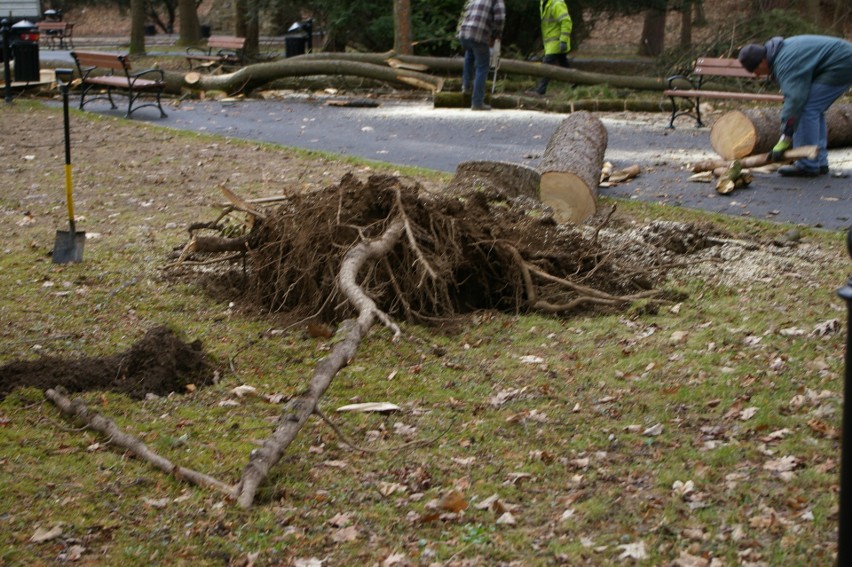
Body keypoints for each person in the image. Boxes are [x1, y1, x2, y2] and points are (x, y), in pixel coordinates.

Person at [737, 35, 852, 177]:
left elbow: (795, 100)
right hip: (841, 59)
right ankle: (818, 160)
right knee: (814, 108)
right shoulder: (780, 54)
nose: (757, 75)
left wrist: (785, 138)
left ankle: (807, 164)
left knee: (806, 109)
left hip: (842, 63)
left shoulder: (785, 63)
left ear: (763, 61)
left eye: (756, 70)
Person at [457, 0, 505, 111]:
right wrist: (496, 35)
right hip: (479, 34)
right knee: (483, 66)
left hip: (464, 33)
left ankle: (466, 85)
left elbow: (466, 12)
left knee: (470, 54)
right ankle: (477, 102)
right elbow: (500, 19)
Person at [530, 0, 573, 96]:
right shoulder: (544, 3)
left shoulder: (557, 4)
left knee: (547, 65)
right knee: (564, 64)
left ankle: (540, 90)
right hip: (551, 42)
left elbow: (566, 22)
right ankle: (575, 83)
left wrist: (563, 40)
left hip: (556, 42)